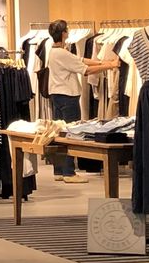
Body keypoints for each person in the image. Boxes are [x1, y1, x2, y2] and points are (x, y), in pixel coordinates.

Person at [45, 19, 114, 183]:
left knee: (59, 133)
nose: (68, 32)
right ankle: (69, 173)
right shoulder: (62, 53)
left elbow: (80, 60)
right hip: (68, 96)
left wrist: (103, 62)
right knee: (71, 133)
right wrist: (109, 66)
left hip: (57, 94)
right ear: (63, 33)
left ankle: (59, 170)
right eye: (66, 30)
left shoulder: (54, 51)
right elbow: (86, 70)